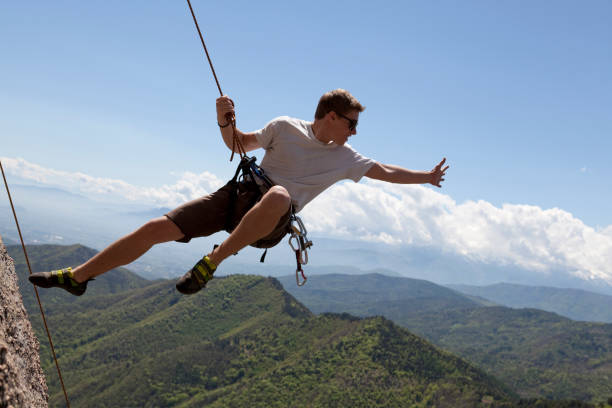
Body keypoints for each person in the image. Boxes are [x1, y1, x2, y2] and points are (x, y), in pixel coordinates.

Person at [29, 89, 449, 296]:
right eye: (351, 124)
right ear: (331, 117)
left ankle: (211, 262)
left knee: (281, 196)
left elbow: (385, 170)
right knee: (157, 227)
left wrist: (425, 178)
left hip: (270, 219)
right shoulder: (285, 127)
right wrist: (223, 121)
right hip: (239, 197)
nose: (355, 132)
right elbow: (238, 144)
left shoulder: (346, 157)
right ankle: (78, 277)